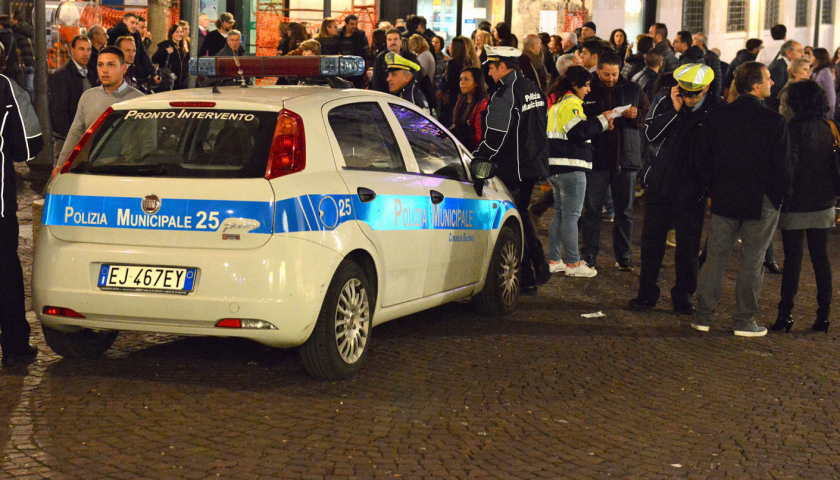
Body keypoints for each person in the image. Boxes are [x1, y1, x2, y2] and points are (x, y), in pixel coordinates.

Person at [692, 61, 791, 337]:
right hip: (761, 199)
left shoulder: (717, 116)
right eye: (769, 79)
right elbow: (782, 166)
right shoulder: (774, 121)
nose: (773, 83)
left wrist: (712, 188)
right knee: (752, 260)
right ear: (756, 85)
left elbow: (703, 158)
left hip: (725, 196)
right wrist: (782, 195)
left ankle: (703, 315)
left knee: (716, 258)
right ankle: (744, 320)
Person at [629, 64, 720, 314]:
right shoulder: (666, 100)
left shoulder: (715, 110)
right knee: (651, 244)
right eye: (685, 93)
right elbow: (650, 134)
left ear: (707, 89)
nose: (689, 98)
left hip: (692, 191)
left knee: (688, 248)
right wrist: (675, 111)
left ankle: (683, 297)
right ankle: (646, 294)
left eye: (695, 94)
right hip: (660, 184)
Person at [473, 46, 551, 295]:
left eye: (492, 67)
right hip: (532, 165)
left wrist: (477, 158)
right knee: (522, 217)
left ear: (503, 67)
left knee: (514, 222)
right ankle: (530, 273)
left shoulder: (505, 93)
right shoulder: (533, 88)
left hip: (513, 169)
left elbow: (496, 136)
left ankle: (534, 268)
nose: (489, 72)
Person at [769, 80, 836, 333]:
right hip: (824, 201)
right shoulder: (830, 127)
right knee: (821, 259)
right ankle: (824, 316)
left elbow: (790, 167)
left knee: (793, 260)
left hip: (797, 203)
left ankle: (785, 315)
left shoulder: (792, 129)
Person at [581, 51, 649, 271]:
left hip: (625, 158)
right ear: (598, 70)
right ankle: (589, 254)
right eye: (606, 74)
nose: (610, 78)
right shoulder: (589, 89)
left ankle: (624, 256)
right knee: (592, 210)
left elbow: (647, 116)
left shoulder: (632, 89)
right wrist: (600, 120)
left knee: (625, 211)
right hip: (596, 158)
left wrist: (636, 115)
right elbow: (580, 118)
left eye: (614, 74)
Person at [545, 65, 613, 277]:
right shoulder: (572, 103)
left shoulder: (557, 104)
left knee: (560, 215)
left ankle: (554, 260)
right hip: (571, 167)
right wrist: (603, 120)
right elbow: (578, 132)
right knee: (571, 216)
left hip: (555, 166)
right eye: (586, 85)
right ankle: (574, 264)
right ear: (575, 85)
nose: (589, 90)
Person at [0, 42, 42, 366]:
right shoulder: (6, 89)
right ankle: (14, 347)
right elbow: (28, 147)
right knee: (5, 272)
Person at [58, 46, 143, 165]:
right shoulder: (88, 97)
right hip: (92, 168)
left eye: (111, 65)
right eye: (100, 65)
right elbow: (75, 134)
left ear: (123, 68)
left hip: (127, 169)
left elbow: (147, 143)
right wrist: (61, 164)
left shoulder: (138, 100)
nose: (104, 70)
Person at [49, 35, 97, 167]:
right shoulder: (62, 75)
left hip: (87, 136)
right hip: (68, 137)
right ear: (72, 50)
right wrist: (69, 135)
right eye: (82, 49)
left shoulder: (91, 74)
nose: (86, 53)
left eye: (88, 49)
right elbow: (59, 110)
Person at [440, 36, 478, 125]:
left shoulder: (452, 62)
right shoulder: (469, 61)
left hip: (453, 96)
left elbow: (450, 82)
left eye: (451, 44)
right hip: (465, 95)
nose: (449, 46)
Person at [451, 66, 488, 150]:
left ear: (476, 83)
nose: (462, 83)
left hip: (471, 149)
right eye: (461, 79)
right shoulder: (461, 99)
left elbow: (479, 134)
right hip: (459, 146)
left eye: (466, 79)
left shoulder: (483, 103)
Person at [106, 12, 154, 78]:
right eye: (132, 23)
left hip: (135, 70)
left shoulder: (136, 34)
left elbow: (142, 52)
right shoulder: (115, 33)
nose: (134, 26)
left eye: (136, 24)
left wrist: (152, 71)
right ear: (124, 22)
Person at [371, 29, 419, 93]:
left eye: (395, 39)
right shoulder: (380, 59)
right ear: (386, 41)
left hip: (407, 96)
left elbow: (417, 78)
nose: (392, 42)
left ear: (401, 41)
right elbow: (376, 83)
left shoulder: (410, 57)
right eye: (389, 40)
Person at [766, 40, 804, 111]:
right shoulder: (778, 68)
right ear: (789, 52)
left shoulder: (783, 65)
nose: (803, 55)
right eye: (800, 51)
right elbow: (774, 94)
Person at [151, 24, 189, 91]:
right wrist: (165, 51)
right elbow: (154, 59)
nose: (179, 34)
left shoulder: (182, 47)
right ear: (171, 34)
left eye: (181, 32)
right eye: (176, 32)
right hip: (168, 80)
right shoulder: (166, 45)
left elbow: (186, 62)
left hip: (181, 83)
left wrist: (187, 50)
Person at [690, 33, 722, 99]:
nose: (692, 41)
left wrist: (716, 96)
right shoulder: (690, 54)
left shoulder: (712, 57)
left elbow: (717, 77)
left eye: (695, 39)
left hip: (707, 92)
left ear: (701, 43)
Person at [11, 12, 34, 101]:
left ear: (16, 20)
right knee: (31, 89)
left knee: (21, 90)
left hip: (22, 64)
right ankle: (32, 108)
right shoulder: (30, 29)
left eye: (12, 19)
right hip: (32, 62)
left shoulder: (15, 31)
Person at [810, 48, 835, 120]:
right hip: (813, 109)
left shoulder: (825, 72)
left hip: (823, 111)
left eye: (812, 56)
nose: (809, 58)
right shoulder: (812, 70)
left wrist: (830, 116)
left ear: (818, 58)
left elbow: (831, 95)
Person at [0, 15, 21, 85]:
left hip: (2, 69)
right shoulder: (13, 36)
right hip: (12, 68)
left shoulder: (1, 37)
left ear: (1, 26)